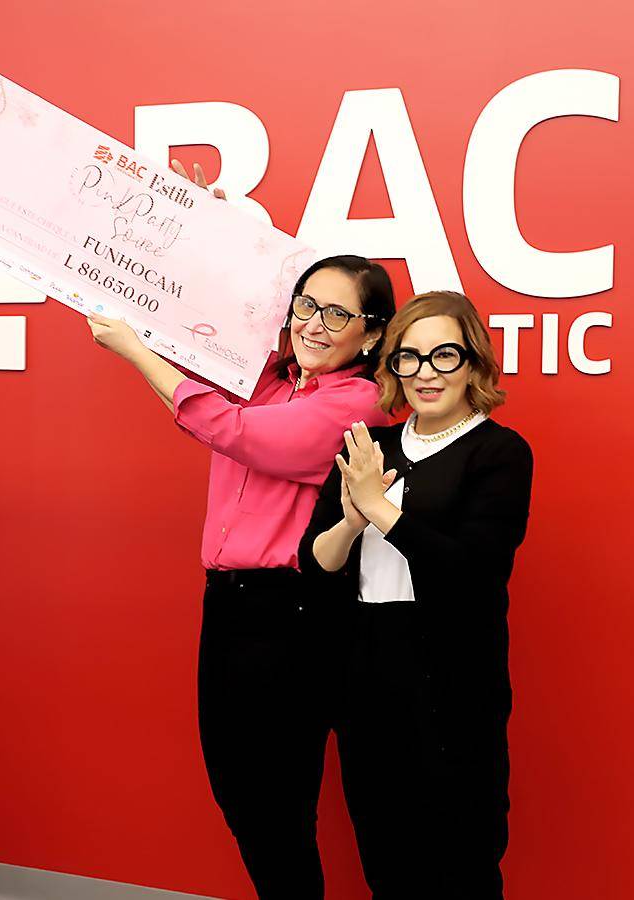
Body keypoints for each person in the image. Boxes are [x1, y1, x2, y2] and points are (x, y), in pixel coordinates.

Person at [87, 163, 396, 899]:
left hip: (289, 616)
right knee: (239, 793)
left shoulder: (357, 404)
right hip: (227, 607)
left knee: (274, 808)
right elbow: (225, 311)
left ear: (373, 331)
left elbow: (236, 433)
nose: (311, 325)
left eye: (336, 315)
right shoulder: (270, 378)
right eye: (305, 306)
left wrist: (137, 353)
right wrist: (229, 231)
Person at [299, 290, 534, 899]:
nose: (425, 373)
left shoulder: (499, 452)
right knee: (385, 848)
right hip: (367, 670)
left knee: (460, 855)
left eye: (444, 356)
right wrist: (351, 520)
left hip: (450, 677)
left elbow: (471, 572)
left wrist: (379, 508)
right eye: (409, 358)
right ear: (392, 367)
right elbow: (315, 563)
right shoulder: (367, 448)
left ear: (476, 364)